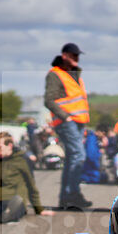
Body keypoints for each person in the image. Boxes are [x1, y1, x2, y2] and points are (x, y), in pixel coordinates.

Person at [44, 43, 92, 210]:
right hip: (67, 122)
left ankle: (67, 197)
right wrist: (66, 117)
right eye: (73, 55)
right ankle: (73, 194)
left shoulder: (74, 74)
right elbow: (49, 100)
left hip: (78, 121)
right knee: (78, 156)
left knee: (73, 158)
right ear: (64, 55)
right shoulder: (55, 75)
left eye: (78, 56)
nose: (77, 59)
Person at [0, 131, 54, 223]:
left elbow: (31, 185)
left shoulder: (21, 160)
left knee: (16, 204)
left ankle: (4, 215)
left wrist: (39, 209)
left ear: (9, 146)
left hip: (14, 199)